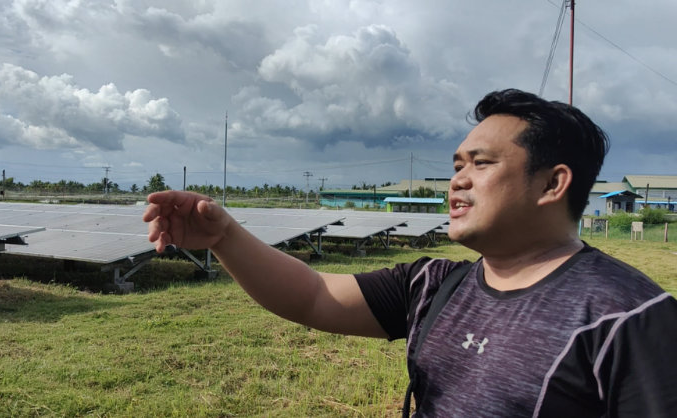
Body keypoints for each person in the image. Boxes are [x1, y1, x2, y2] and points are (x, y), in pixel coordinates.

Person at [143, 89, 677, 417]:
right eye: (456, 165)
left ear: (552, 184)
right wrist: (223, 237)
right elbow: (313, 295)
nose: (457, 182)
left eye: (481, 164)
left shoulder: (627, 317)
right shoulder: (435, 285)